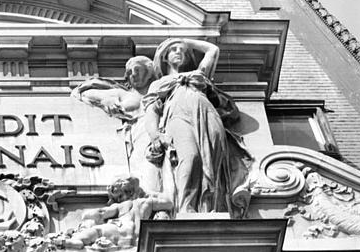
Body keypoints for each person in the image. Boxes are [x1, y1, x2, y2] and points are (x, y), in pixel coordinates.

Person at [143, 38, 252, 215]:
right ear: (164, 57)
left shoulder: (198, 74)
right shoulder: (159, 83)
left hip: (207, 115)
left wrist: (183, 40)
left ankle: (211, 207)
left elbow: (213, 50)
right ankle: (186, 207)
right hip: (177, 117)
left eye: (182, 50)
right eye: (173, 50)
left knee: (212, 161)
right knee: (190, 157)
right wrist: (155, 135)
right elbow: (152, 111)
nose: (178, 52)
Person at [71, 56, 162, 194]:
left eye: (137, 70)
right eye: (130, 73)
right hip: (138, 135)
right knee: (146, 171)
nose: (133, 75)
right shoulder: (124, 94)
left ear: (149, 72)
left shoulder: (161, 95)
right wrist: (107, 100)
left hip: (157, 134)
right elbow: (83, 92)